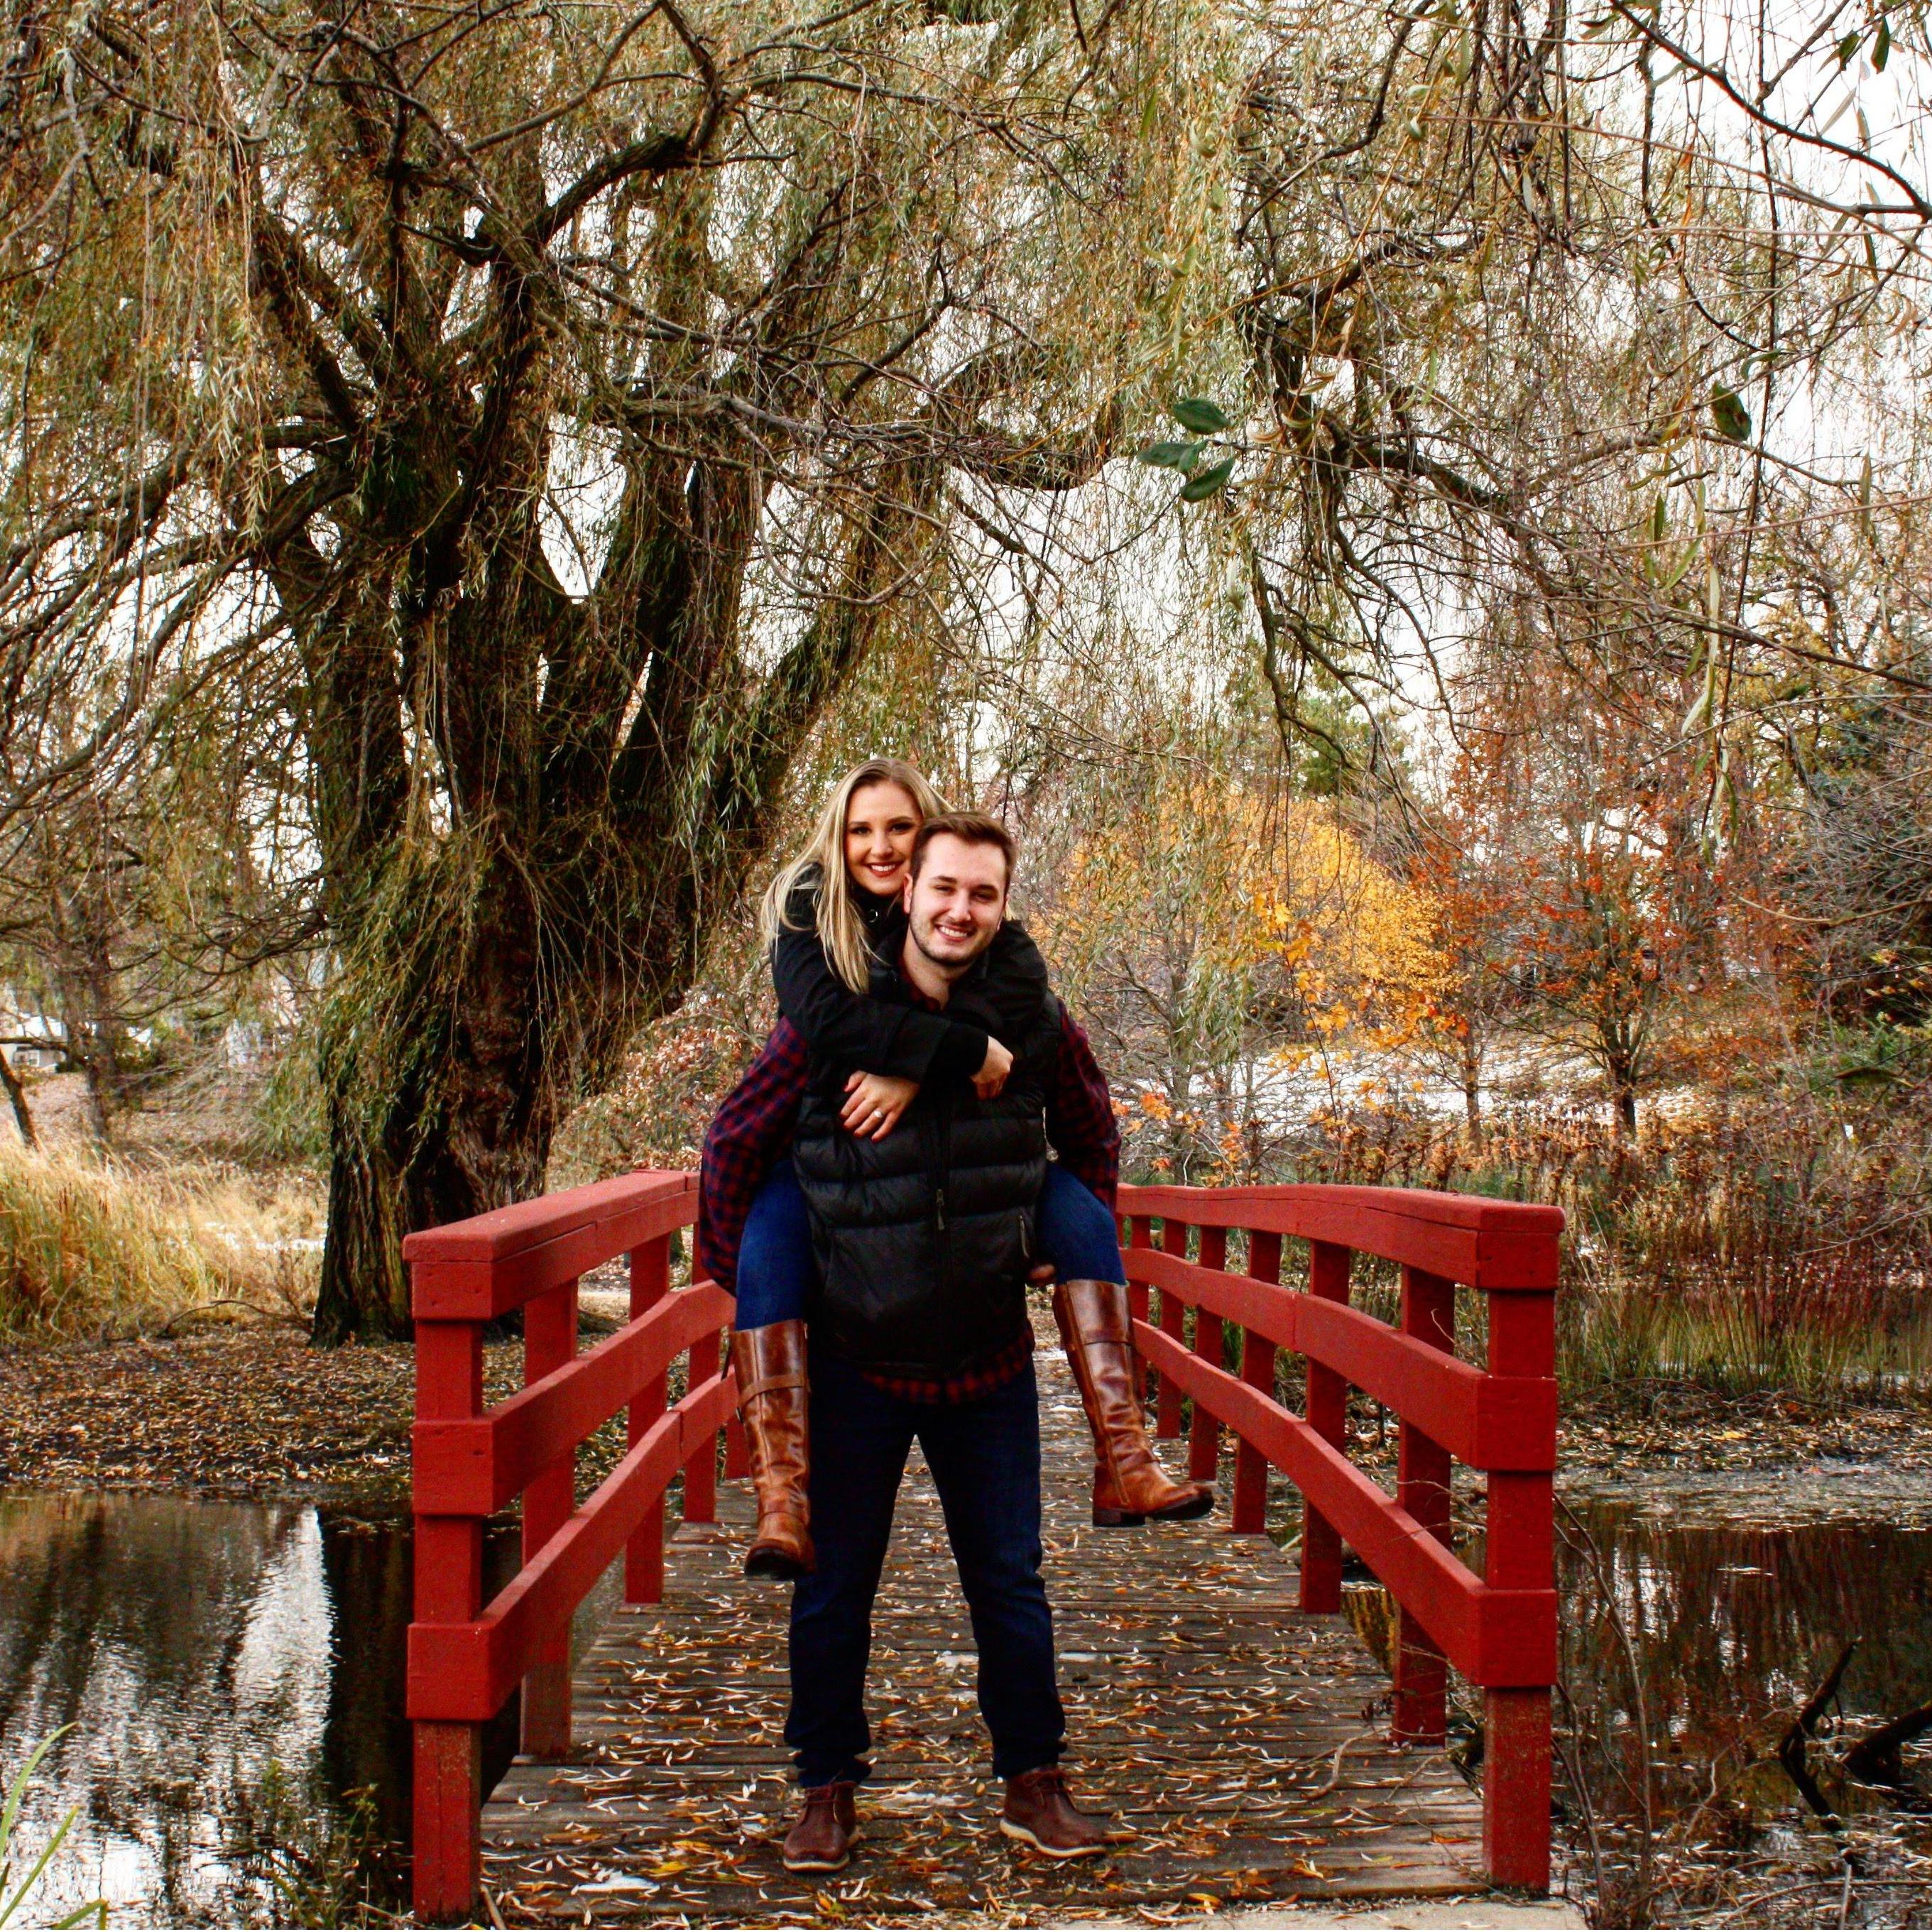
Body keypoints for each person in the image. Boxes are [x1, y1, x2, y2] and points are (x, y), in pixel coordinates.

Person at [696, 760, 1211, 1586]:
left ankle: (1125, 1453)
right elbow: (754, 1110)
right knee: (770, 1248)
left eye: (900, 829)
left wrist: (939, 1062)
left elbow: (1075, 1096)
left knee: (1079, 1212)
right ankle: (781, 1495)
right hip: (835, 1206)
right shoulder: (815, 928)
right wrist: (737, 1272)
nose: (882, 847)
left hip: (978, 1298)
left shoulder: (1001, 958)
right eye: (863, 831)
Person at [744, 812, 1142, 1869]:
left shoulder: (1034, 1018)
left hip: (985, 1363)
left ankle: (1034, 1781)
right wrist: (740, 1276)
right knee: (836, 1589)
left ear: (1002, 906)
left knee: (1009, 1582)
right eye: (944, 888)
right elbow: (738, 1135)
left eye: (983, 894)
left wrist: (1066, 1232)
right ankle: (825, 1787)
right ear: (906, 891)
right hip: (854, 1360)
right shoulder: (827, 1022)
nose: (960, 910)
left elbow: (1094, 1130)